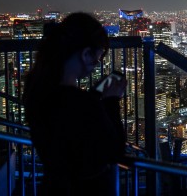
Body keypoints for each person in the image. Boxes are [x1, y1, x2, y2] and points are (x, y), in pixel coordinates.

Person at [24, 12, 126, 196]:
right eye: (97, 58)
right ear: (86, 54)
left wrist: (94, 96)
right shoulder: (80, 103)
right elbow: (115, 150)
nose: (96, 64)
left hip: (53, 186)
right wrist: (111, 101)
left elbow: (72, 121)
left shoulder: (36, 90)